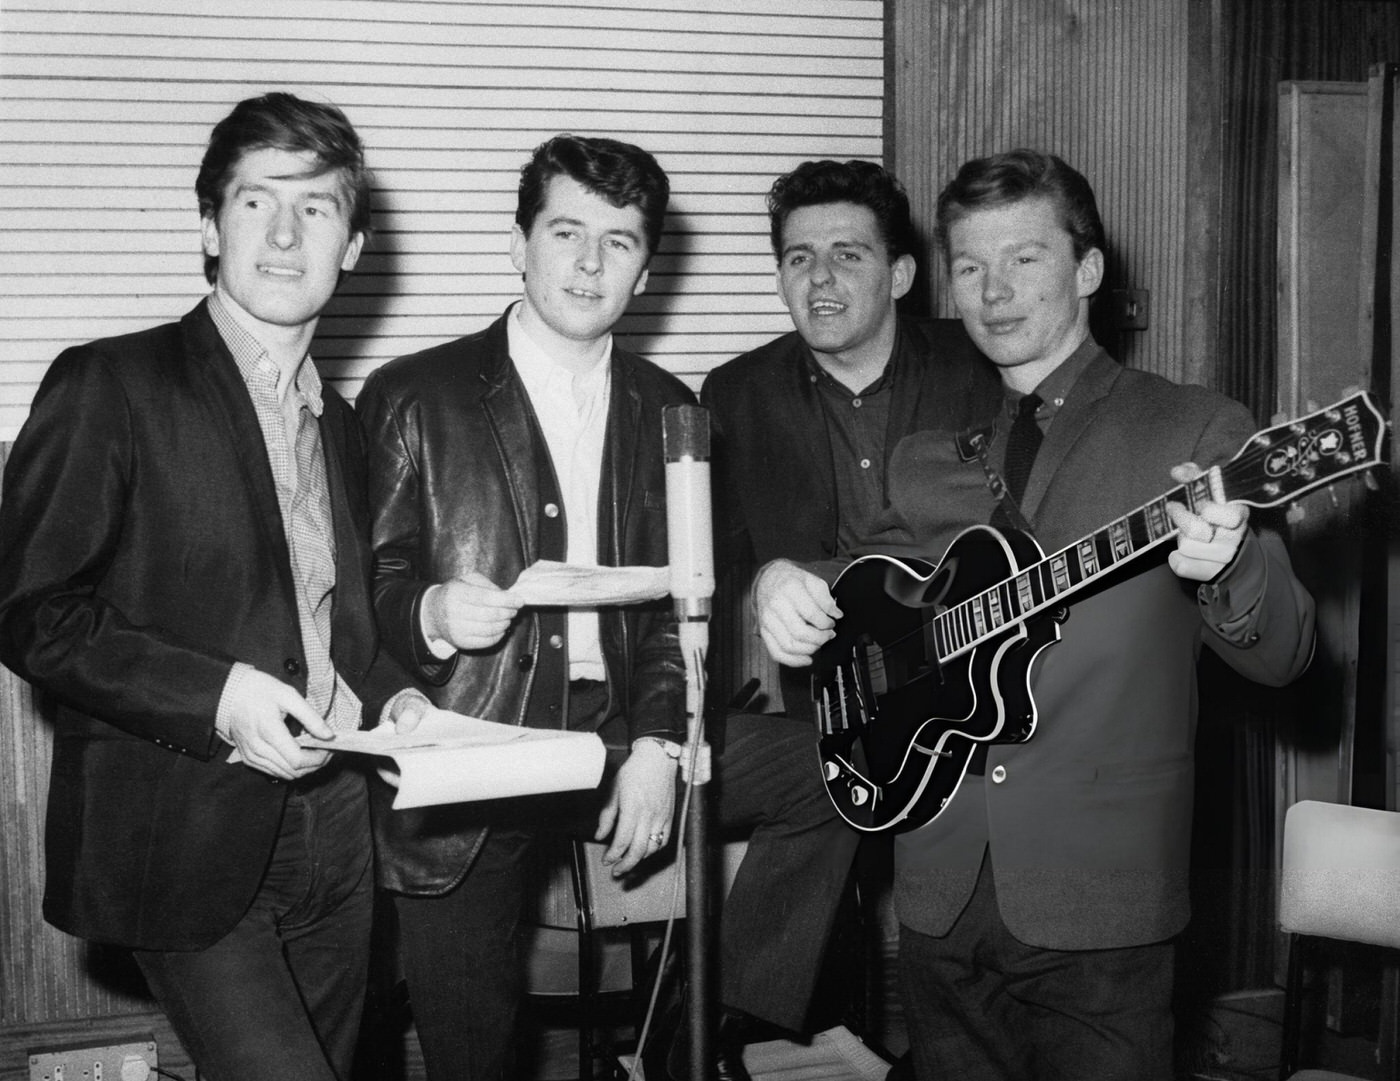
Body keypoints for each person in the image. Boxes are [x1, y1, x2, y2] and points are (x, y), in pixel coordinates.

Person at [752, 149, 1316, 1080]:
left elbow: (1287, 655)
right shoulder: (930, 457)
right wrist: (782, 578)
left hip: (1101, 900)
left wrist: (1232, 565)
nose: (992, 290)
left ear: (1088, 269)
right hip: (936, 887)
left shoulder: (1195, 431)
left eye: (1025, 258)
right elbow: (864, 583)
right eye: (969, 266)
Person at [358, 134, 851, 1081]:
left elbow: (683, 605)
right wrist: (426, 609)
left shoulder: (675, 413)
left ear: (646, 269)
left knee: (833, 773)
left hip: (623, 731)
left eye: (618, 242)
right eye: (566, 232)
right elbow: (369, 593)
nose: (589, 264)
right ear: (519, 243)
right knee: (477, 1057)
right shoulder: (413, 395)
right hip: (469, 742)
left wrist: (662, 747)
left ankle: (685, 1048)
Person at [0, 92, 427, 1081]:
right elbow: (31, 612)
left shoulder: (346, 427)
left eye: (316, 208)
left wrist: (398, 691)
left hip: (337, 830)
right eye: (254, 203)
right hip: (182, 833)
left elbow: (338, 626)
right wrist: (219, 698)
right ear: (208, 226)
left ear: (353, 244)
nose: (285, 233)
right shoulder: (111, 383)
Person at [702, 158, 1000, 724]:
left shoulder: (980, 366)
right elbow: (699, 559)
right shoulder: (735, 396)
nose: (818, 277)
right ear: (779, 278)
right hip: (830, 716)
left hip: (984, 691)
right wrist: (767, 579)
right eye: (799, 258)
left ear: (900, 276)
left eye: (847, 254)